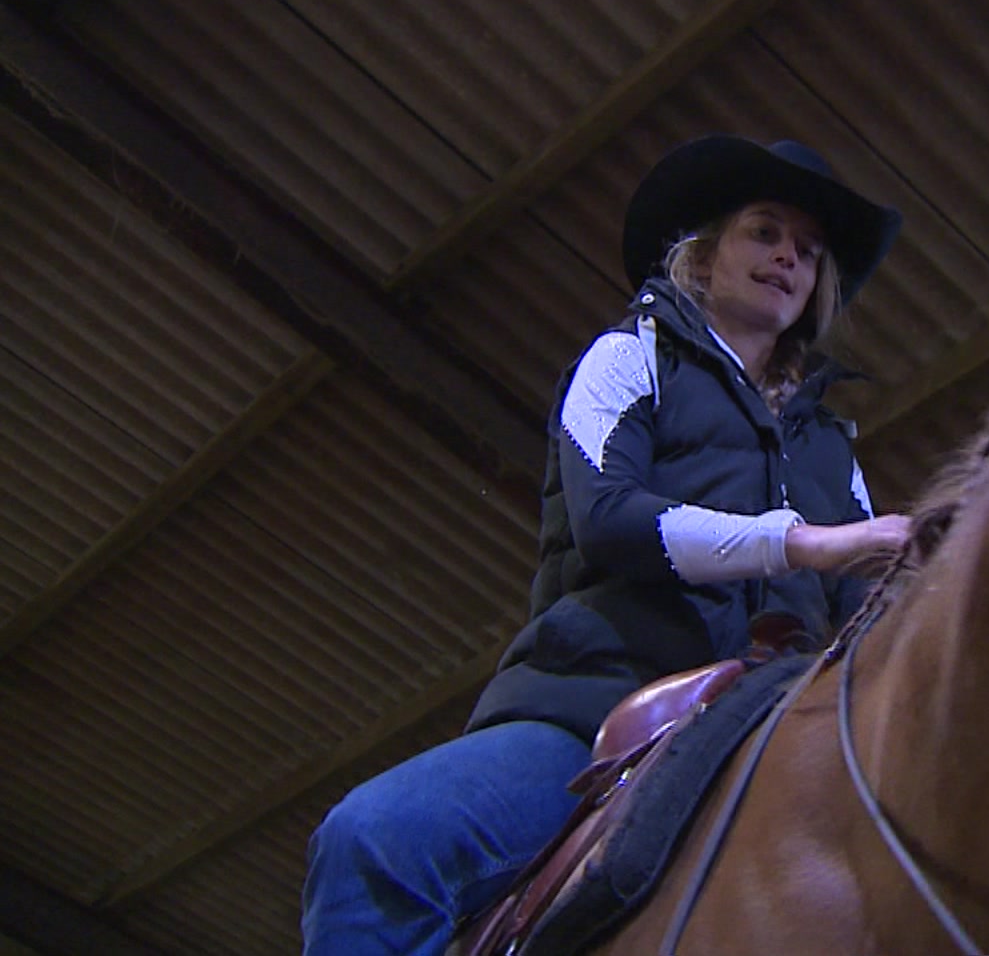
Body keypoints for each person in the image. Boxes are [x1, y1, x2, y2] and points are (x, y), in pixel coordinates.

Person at [301, 135, 913, 954]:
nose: (787, 258)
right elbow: (612, 518)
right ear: (704, 253)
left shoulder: (836, 452)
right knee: (375, 841)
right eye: (763, 232)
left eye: (807, 251)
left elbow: (870, 618)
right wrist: (799, 544)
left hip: (771, 727)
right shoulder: (629, 357)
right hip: (594, 711)